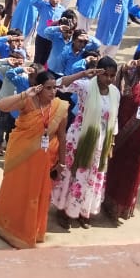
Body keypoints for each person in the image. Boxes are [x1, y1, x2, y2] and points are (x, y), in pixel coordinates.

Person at [0, 70, 70, 249]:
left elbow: (62, 137)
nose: (52, 92)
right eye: (48, 88)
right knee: (17, 191)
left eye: (54, 88)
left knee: (36, 196)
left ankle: (30, 232)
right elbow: (1, 105)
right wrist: (26, 93)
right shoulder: (28, 101)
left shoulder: (61, 107)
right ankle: (7, 228)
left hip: (44, 161)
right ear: (39, 88)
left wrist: (62, 163)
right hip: (21, 158)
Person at [51, 60, 120, 230]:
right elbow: (59, 84)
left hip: (101, 142)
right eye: (105, 75)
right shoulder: (86, 86)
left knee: (91, 178)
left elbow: (114, 118)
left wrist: (110, 143)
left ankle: (82, 211)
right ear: (99, 72)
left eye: (112, 76)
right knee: (74, 175)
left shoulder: (115, 92)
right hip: (80, 139)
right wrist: (83, 74)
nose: (109, 79)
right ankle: (64, 211)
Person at [101, 51, 140, 222]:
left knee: (133, 174)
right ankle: (110, 205)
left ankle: (125, 207)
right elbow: (114, 90)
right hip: (124, 138)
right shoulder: (128, 81)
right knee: (118, 170)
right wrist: (126, 68)